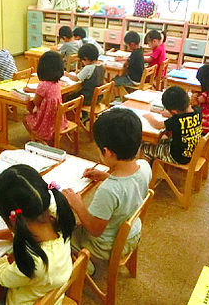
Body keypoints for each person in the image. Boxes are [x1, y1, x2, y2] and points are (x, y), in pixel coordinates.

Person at [0, 164, 76, 305]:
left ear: (13, 220)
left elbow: (4, 277)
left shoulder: (35, 263)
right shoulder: (57, 218)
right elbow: (24, 231)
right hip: (50, 295)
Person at [62, 108, 151, 272]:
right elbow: (129, 186)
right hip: (133, 233)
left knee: (61, 235)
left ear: (107, 152)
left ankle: (85, 268)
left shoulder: (108, 190)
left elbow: (95, 230)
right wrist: (105, 175)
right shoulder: (145, 167)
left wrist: (78, 205)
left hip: (105, 245)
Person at [141, 86, 203, 165]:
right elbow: (185, 119)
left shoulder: (176, 120)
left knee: (144, 148)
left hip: (176, 157)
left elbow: (157, 125)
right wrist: (171, 115)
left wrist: (149, 117)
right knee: (161, 139)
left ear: (174, 111)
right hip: (190, 152)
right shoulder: (198, 111)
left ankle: (150, 174)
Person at [22, 51, 67, 142]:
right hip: (58, 121)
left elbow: (36, 102)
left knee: (25, 119)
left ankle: (38, 140)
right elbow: (47, 93)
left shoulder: (43, 85)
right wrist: (32, 90)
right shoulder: (56, 82)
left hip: (45, 123)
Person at [113, 31, 145, 97]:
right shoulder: (140, 50)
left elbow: (125, 64)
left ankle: (117, 99)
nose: (127, 47)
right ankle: (126, 95)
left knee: (113, 82)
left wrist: (122, 61)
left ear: (132, 44)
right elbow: (129, 59)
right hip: (139, 78)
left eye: (127, 45)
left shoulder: (134, 53)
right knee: (119, 77)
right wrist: (121, 59)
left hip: (133, 80)